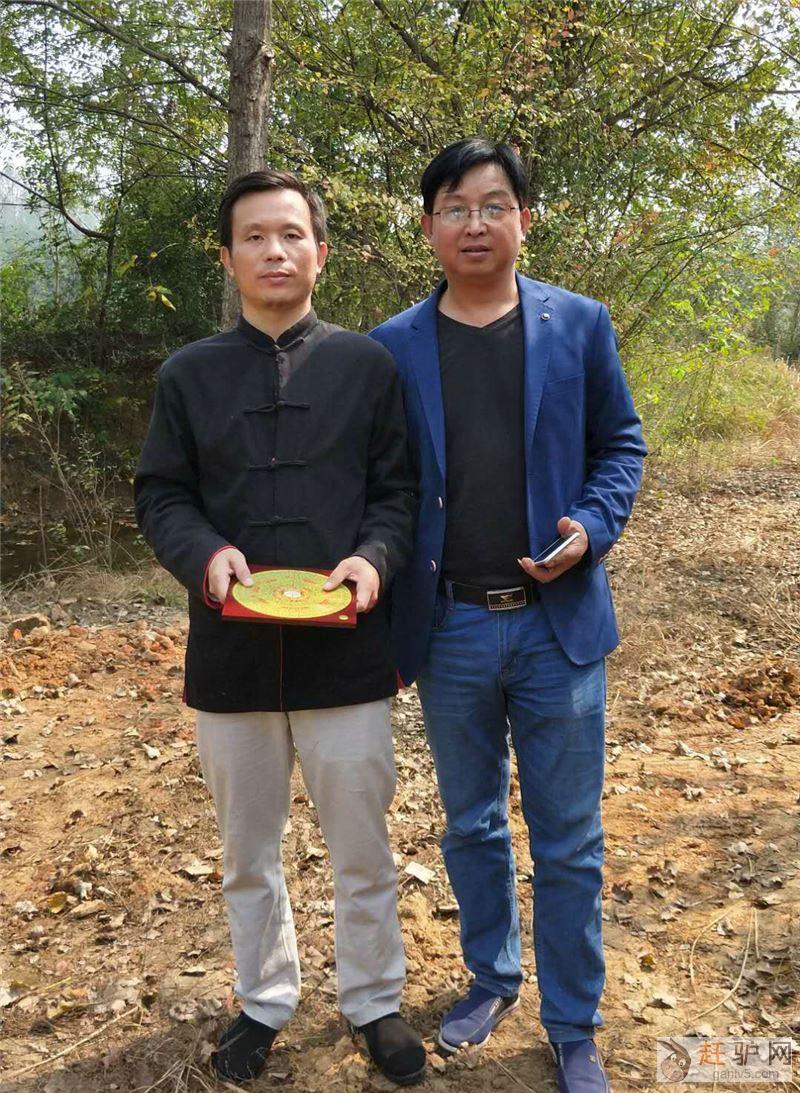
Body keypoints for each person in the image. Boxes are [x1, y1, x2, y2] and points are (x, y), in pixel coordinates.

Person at [134, 169, 425, 1087]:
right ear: (227, 258)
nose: (274, 251)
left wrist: (373, 559)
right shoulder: (188, 373)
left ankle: (374, 999)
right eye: (254, 236)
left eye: (292, 235)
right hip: (232, 653)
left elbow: (398, 493)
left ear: (320, 254)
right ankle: (264, 1000)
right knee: (247, 852)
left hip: (348, 647)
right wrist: (205, 554)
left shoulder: (367, 367)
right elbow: (162, 494)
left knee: (363, 844)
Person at [370, 138, 647, 1093]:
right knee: (472, 823)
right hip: (448, 625)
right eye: (455, 207)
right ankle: (493, 976)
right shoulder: (392, 345)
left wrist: (593, 526)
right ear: (428, 228)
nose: (475, 223)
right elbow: (384, 483)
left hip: (554, 622)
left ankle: (573, 1022)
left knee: (568, 837)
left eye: (494, 205)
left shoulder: (580, 324)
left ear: (526, 219)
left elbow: (621, 445)